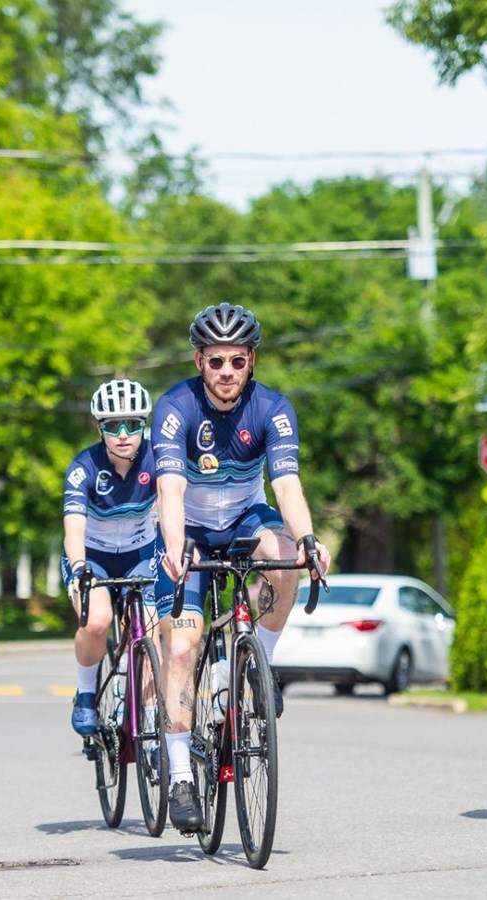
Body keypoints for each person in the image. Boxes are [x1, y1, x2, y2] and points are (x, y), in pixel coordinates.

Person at [152, 302, 330, 834]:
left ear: (251, 360)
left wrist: (308, 539)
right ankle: (180, 776)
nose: (226, 371)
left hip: (245, 517)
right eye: (215, 361)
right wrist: (176, 548)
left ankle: (259, 663)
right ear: (199, 361)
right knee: (181, 648)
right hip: (189, 529)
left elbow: (287, 484)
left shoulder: (273, 408)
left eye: (236, 360)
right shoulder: (175, 408)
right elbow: (169, 489)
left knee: (286, 557)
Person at [63, 379, 170, 739]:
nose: (123, 434)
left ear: (144, 425)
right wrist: (79, 569)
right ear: (99, 429)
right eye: (112, 426)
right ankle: (86, 693)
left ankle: (151, 719)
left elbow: (174, 504)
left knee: (150, 630)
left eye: (132, 424)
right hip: (93, 557)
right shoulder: (84, 468)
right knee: (97, 620)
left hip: (140, 553)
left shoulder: (159, 457)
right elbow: (73, 528)